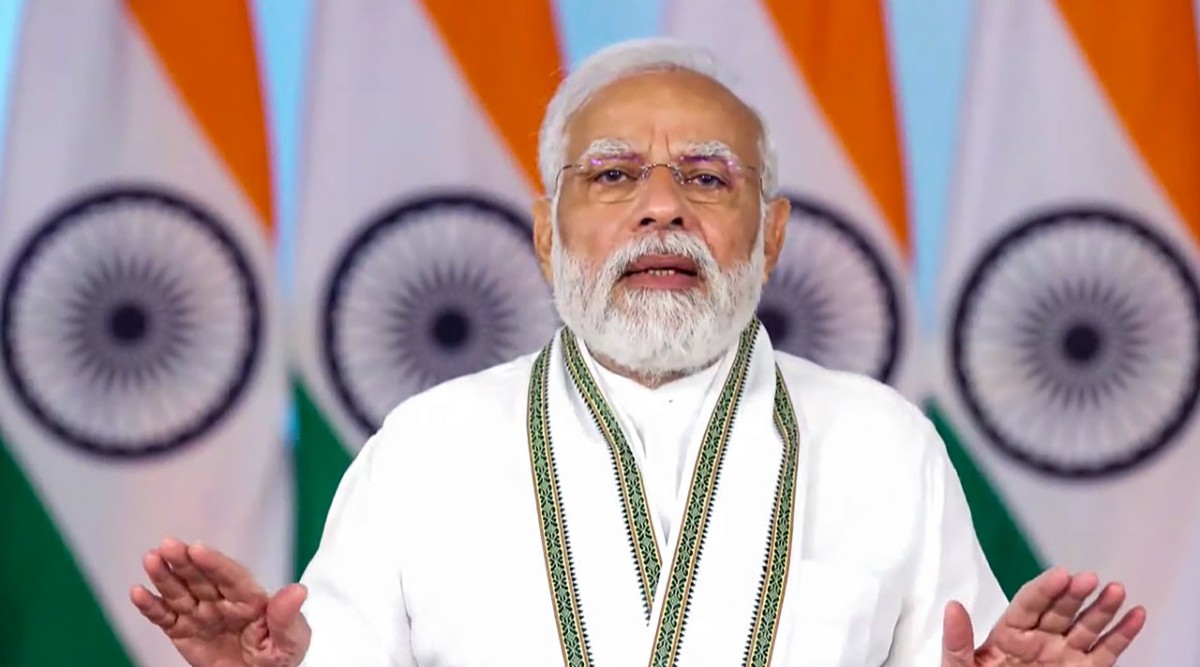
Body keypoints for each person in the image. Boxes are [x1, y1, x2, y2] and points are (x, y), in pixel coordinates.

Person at [130, 38, 1146, 666]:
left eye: (708, 177)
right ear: (545, 234)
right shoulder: (424, 448)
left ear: (773, 233)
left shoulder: (883, 445)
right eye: (612, 176)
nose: (662, 205)